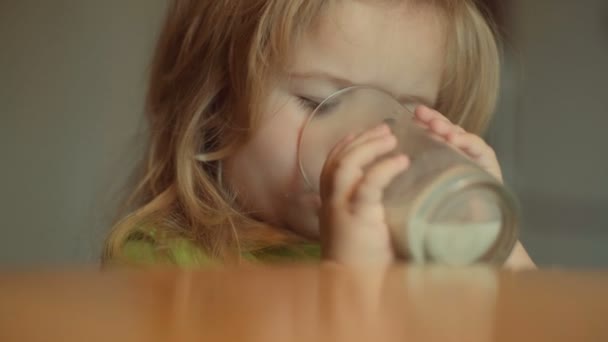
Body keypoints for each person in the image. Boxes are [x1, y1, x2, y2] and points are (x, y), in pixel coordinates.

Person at [103, 0, 534, 269]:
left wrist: (491, 247)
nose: (359, 139)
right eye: (318, 102)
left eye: (401, 113)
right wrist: (351, 282)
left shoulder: (419, 251)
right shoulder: (164, 261)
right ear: (215, 105)